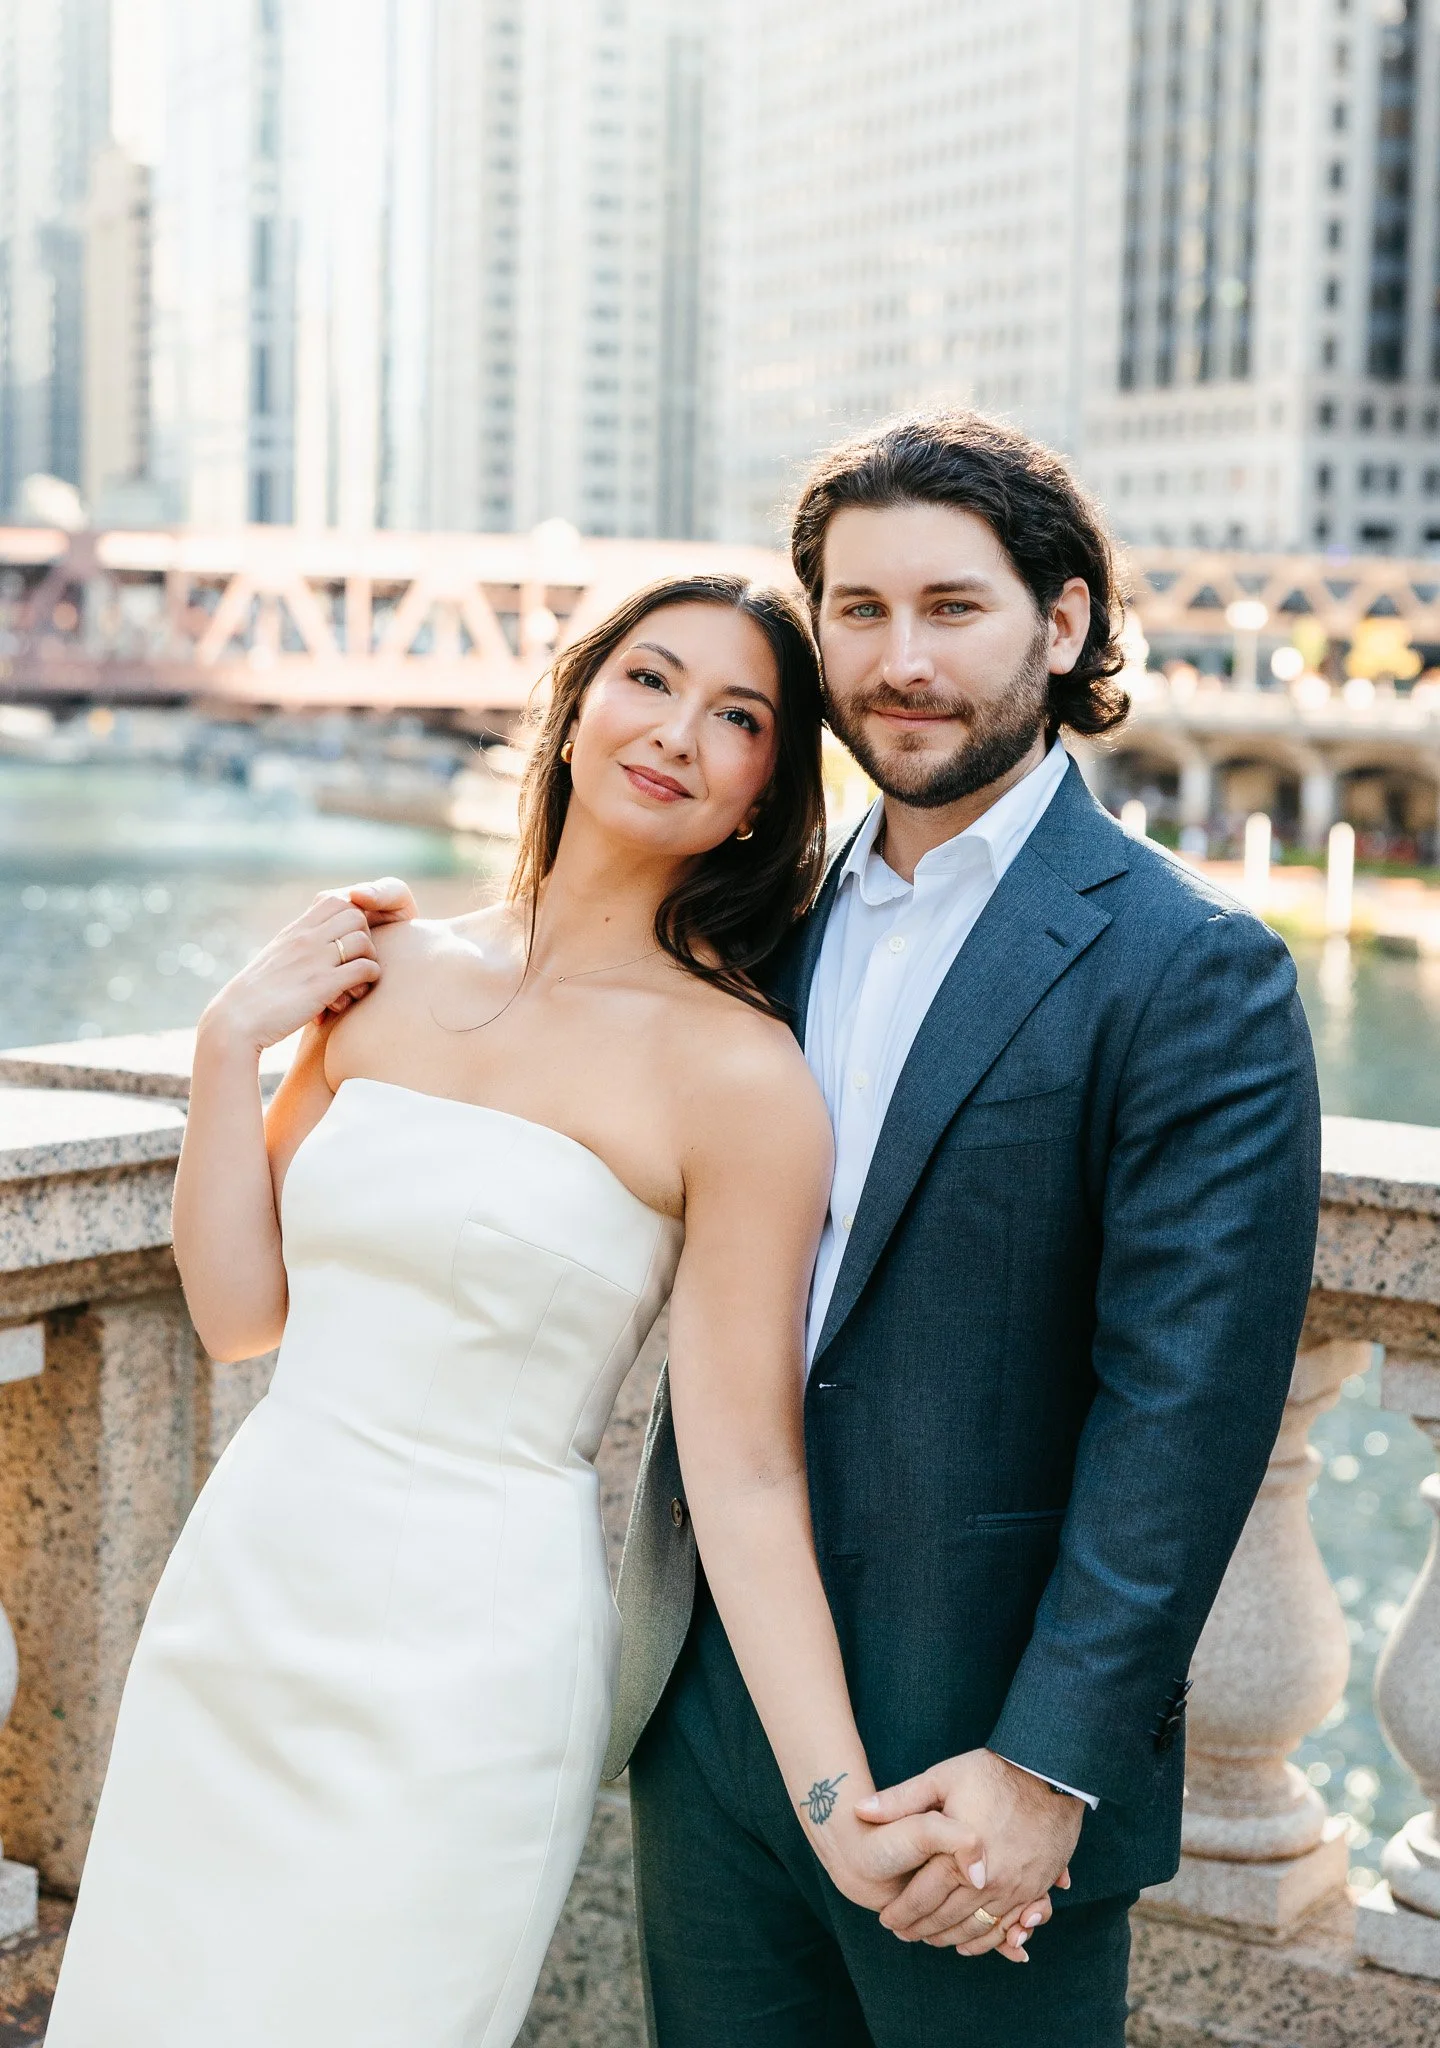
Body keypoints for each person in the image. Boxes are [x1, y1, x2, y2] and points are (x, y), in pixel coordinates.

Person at [46, 573, 1028, 2048]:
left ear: (767, 790)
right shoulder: (382, 971)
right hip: (248, 1599)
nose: (678, 731)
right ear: (574, 714)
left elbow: (746, 1476)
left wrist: (839, 1807)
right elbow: (244, 1314)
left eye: (739, 716)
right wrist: (225, 1044)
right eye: (650, 679)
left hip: (475, 1657)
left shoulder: (742, 1079)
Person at [608, 411, 1323, 2046]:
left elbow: (1187, 1418)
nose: (899, 661)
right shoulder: (748, 928)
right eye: (856, 612)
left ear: (1061, 625)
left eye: (953, 608)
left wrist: (1045, 1770)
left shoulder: (1190, 967)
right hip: (713, 1735)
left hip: (983, 1787)